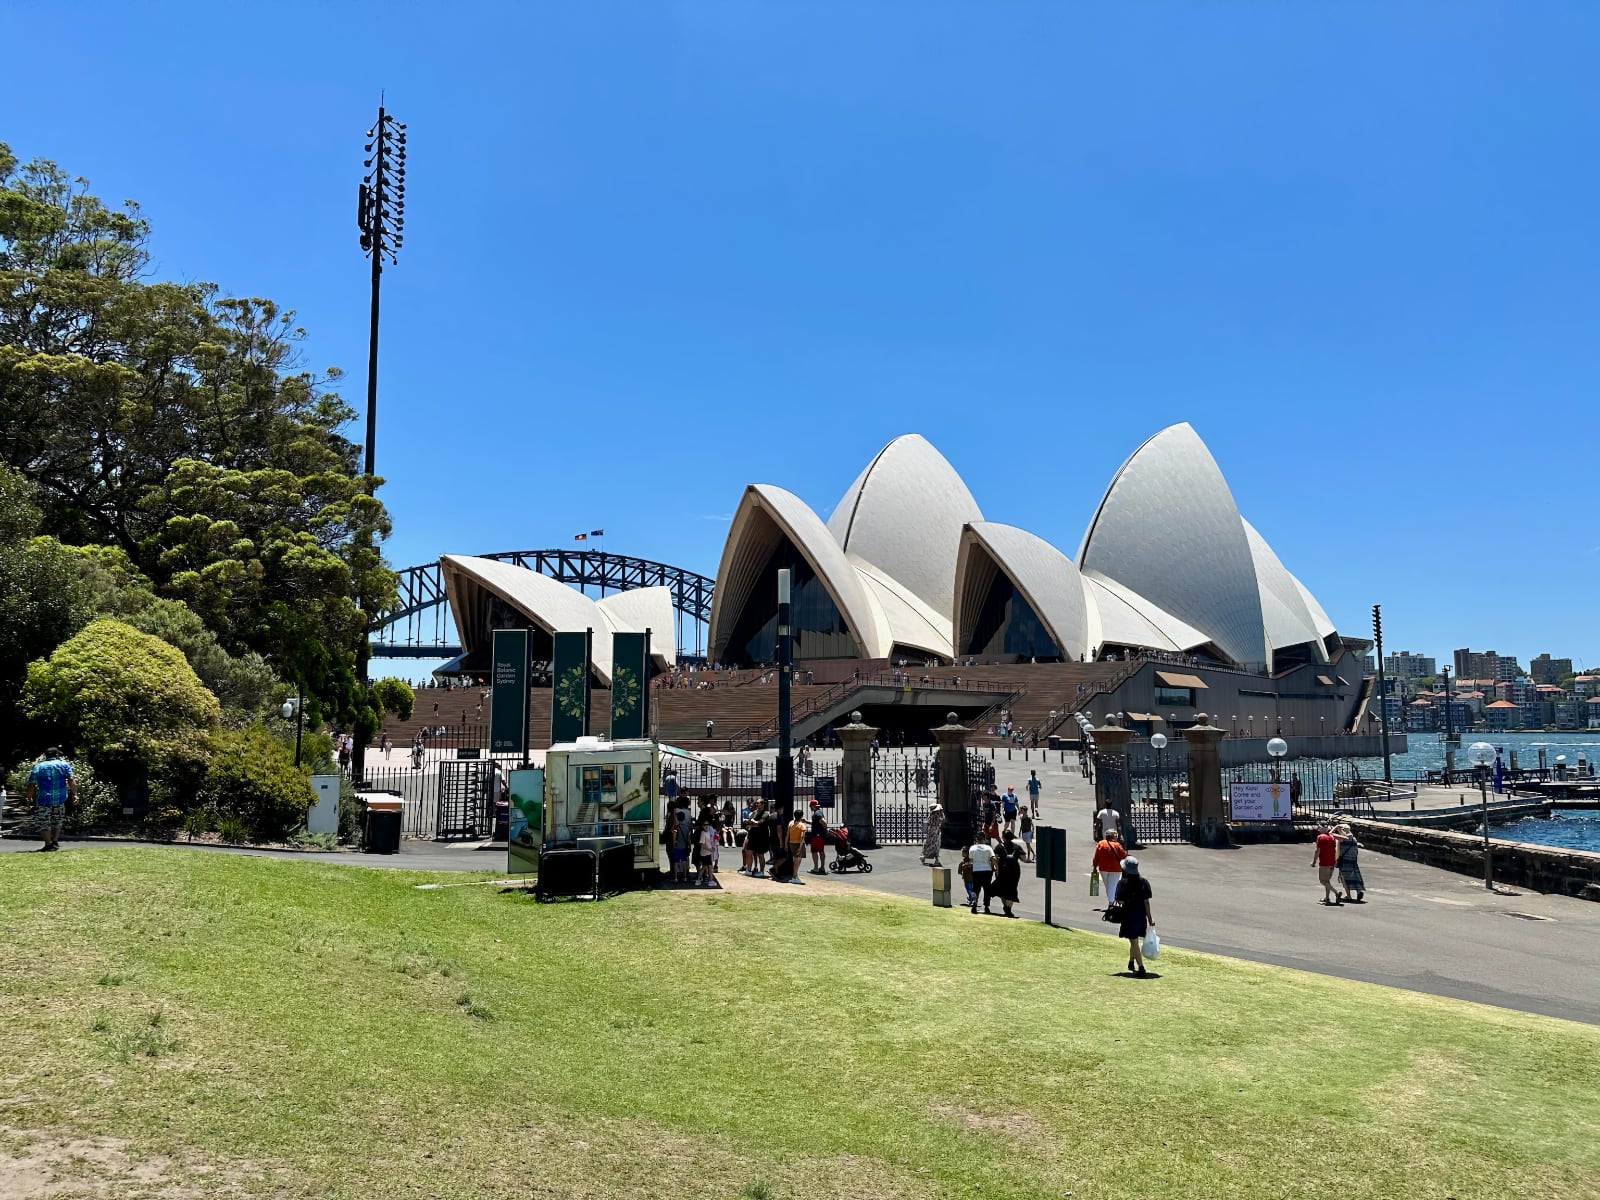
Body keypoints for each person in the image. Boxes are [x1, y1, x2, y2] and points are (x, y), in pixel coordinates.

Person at [25, 747, 76, 852]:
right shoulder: (64, 765)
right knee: (58, 820)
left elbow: (31, 784)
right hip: (60, 798)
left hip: (44, 799)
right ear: (56, 755)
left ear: (46, 755)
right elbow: (71, 780)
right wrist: (75, 794)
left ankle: (48, 844)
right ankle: (55, 841)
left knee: (44, 821)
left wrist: (28, 798)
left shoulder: (38, 767)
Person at [1116, 856, 1155, 977]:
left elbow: (1119, 900)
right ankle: (1131, 962)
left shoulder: (1122, 883)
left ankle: (1141, 968)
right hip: (1141, 915)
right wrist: (1150, 918)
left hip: (1128, 915)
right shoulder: (1144, 882)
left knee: (1133, 941)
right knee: (1135, 940)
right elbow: (1146, 902)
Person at [1092, 830, 1126, 906]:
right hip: (1116, 869)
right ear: (1115, 836)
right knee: (1112, 884)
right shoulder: (1117, 845)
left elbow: (1096, 857)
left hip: (1103, 868)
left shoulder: (1101, 844)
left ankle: (1111, 901)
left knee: (1107, 885)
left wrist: (1094, 867)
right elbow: (1123, 856)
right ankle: (1111, 902)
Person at [993, 831, 1024, 918]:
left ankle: (1006, 907)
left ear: (1003, 837)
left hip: (1003, 869)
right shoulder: (1017, 847)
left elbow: (995, 858)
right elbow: (1023, 858)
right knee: (1012, 889)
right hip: (1014, 871)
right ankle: (1008, 909)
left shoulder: (999, 847)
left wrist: (996, 869)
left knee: (1002, 888)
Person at [1313, 822, 1344, 905]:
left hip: (1324, 862)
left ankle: (1336, 893)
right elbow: (1341, 840)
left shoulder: (1320, 837)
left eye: (1319, 827)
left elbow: (1317, 851)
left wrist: (1314, 861)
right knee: (1327, 881)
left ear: (1323, 828)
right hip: (1332, 862)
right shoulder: (1332, 836)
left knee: (1323, 881)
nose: (1318, 828)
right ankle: (1327, 898)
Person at [1334, 823, 1365, 902]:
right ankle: (1359, 891)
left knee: (1344, 878)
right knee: (1355, 876)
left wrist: (1336, 827)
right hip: (1353, 861)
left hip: (1344, 861)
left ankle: (1348, 896)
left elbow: (1339, 851)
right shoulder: (1354, 839)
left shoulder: (1343, 840)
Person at [968, 835, 996, 914]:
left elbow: (971, 860)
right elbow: (993, 858)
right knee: (987, 889)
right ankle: (986, 906)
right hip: (987, 870)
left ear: (976, 839)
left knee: (976, 888)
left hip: (976, 870)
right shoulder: (988, 848)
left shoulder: (972, 848)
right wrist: (996, 868)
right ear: (984, 839)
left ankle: (974, 903)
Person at [920, 802, 944, 866]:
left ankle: (924, 856)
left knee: (929, 844)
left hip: (931, 831)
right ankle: (935, 859)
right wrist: (942, 813)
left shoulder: (930, 815)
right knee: (935, 845)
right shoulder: (937, 816)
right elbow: (942, 820)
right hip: (935, 831)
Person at [808, 802, 829, 874]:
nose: (810, 807)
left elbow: (823, 822)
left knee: (814, 851)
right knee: (821, 851)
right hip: (819, 835)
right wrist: (807, 821)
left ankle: (816, 868)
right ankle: (822, 867)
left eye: (810, 806)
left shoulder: (817, 813)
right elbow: (816, 822)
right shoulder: (818, 812)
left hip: (817, 836)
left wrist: (825, 830)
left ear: (812, 806)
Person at [787, 810, 807, 880]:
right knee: (797, 860)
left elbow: (788, 834)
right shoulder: (802, 825)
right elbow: (802, 836)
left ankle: (795, 874)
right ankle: (794, 876)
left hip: (791, 843)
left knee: (795, 859)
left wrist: (786, 844)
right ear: (801, 816)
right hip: (799, 843)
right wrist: (800, 847)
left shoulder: (791, 823)